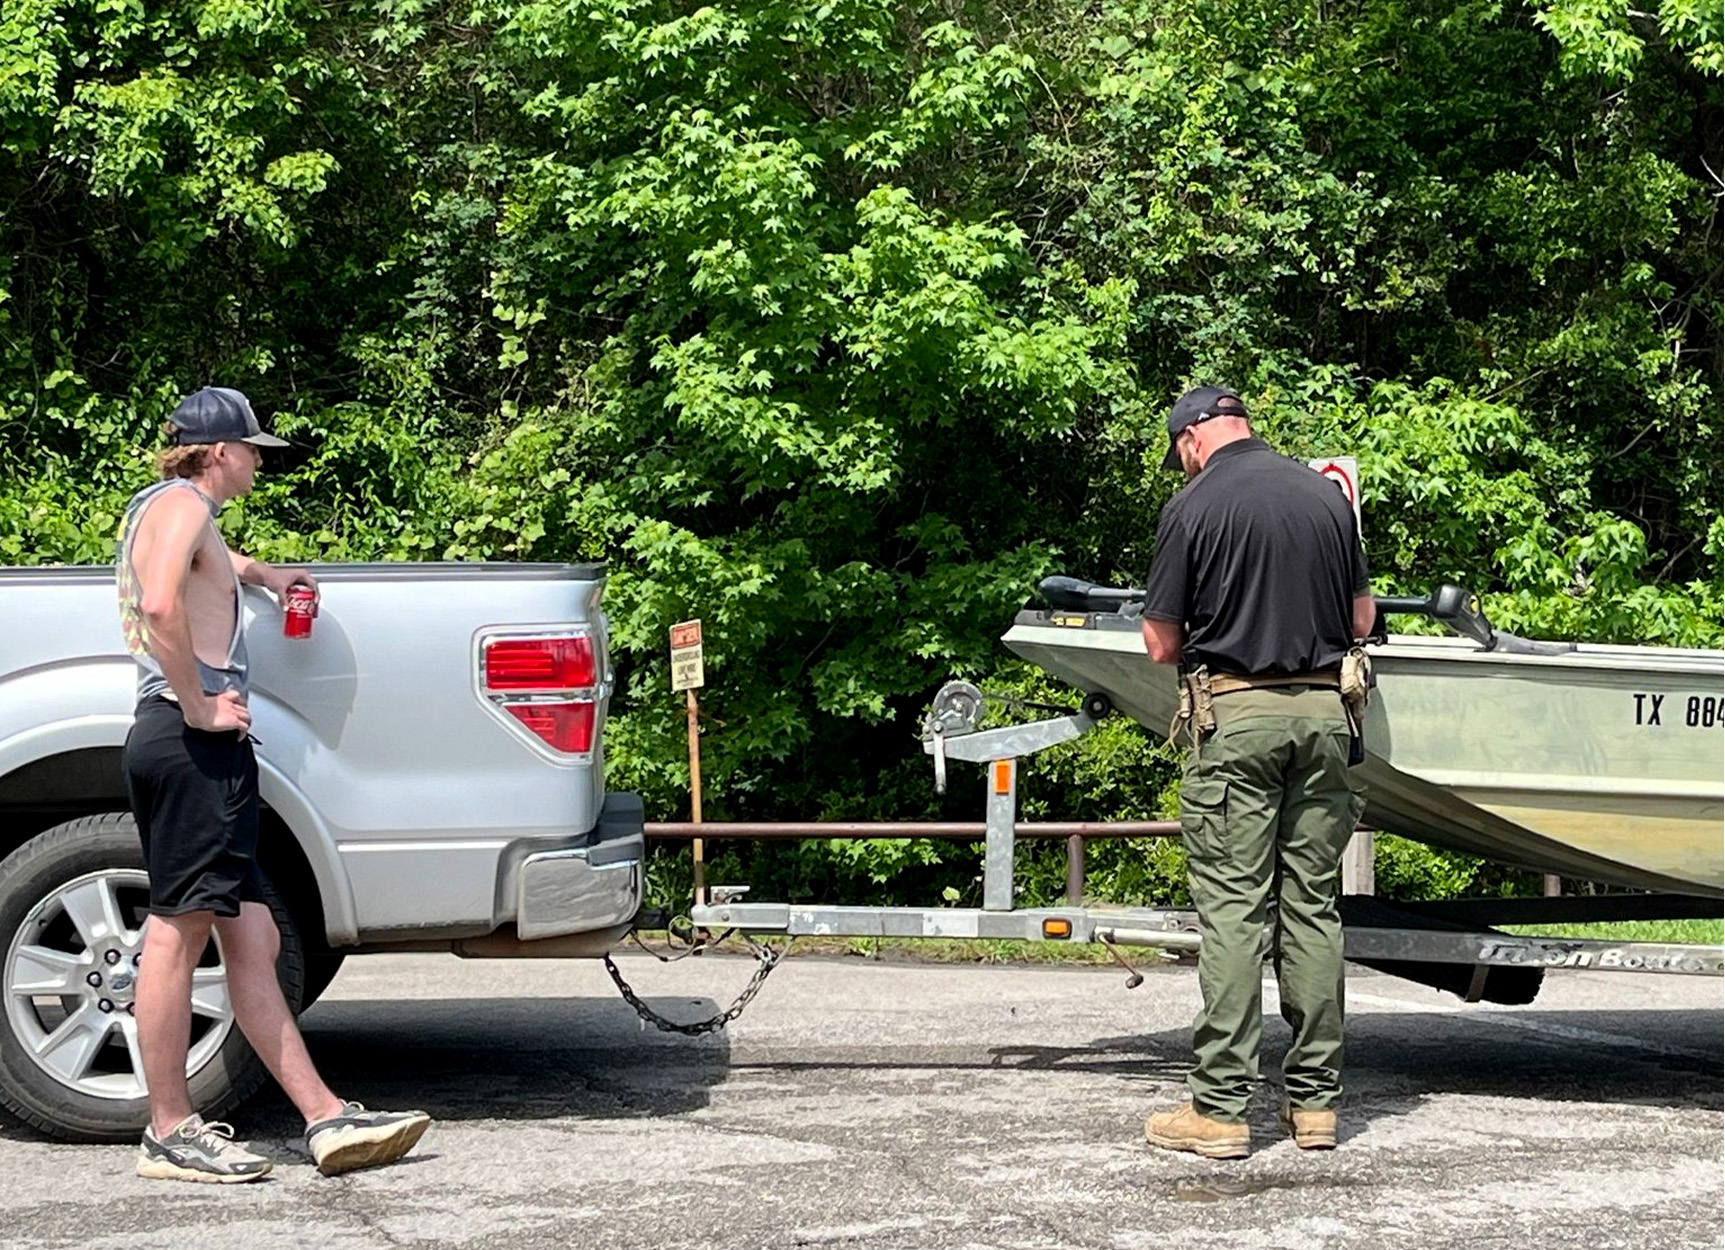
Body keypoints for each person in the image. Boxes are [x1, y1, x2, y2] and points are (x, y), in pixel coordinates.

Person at [117, 386, 431, 1182]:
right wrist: (197, 703)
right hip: (190, 743)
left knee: (251, 937)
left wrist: (267, 574)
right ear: (218, 451)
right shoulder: (182, 506)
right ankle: (168, 1129)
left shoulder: (181, 514)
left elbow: (205, 571)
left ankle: (325, 1118)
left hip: (200, 751)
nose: (261, 460)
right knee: (176, 931)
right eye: (253, 448)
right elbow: (160, 604)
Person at [1137, 386, 1374, 1160]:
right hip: (1323, 716)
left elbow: (1160, 644)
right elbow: (1361, 621)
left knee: (1235, 912)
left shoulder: (1194, 504)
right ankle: (1315, 1108)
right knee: (1311, 907)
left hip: (1235, 718)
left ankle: (1220, 1110)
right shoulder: (1325, 495)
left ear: (1192, 439)